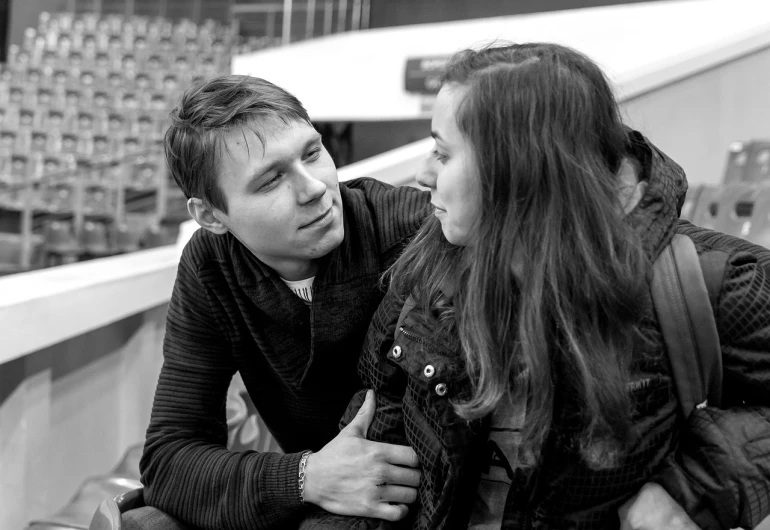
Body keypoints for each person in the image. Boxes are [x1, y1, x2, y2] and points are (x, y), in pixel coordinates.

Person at [299, 43, 770, 530]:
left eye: (442, 152)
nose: (423, 174)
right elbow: (382, 417)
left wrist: (688, 491)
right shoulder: (430, 263)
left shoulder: (709, 277)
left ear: (522, 169)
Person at [127, 75, 430, 530]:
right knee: (144, 522)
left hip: (416, 497)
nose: (314, 189)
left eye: (312, 153)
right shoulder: (212, 265)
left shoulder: (413, 229)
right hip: (317, 489)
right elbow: (170, 456)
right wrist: (306, 477)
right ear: (211, 216)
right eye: (271, 181)